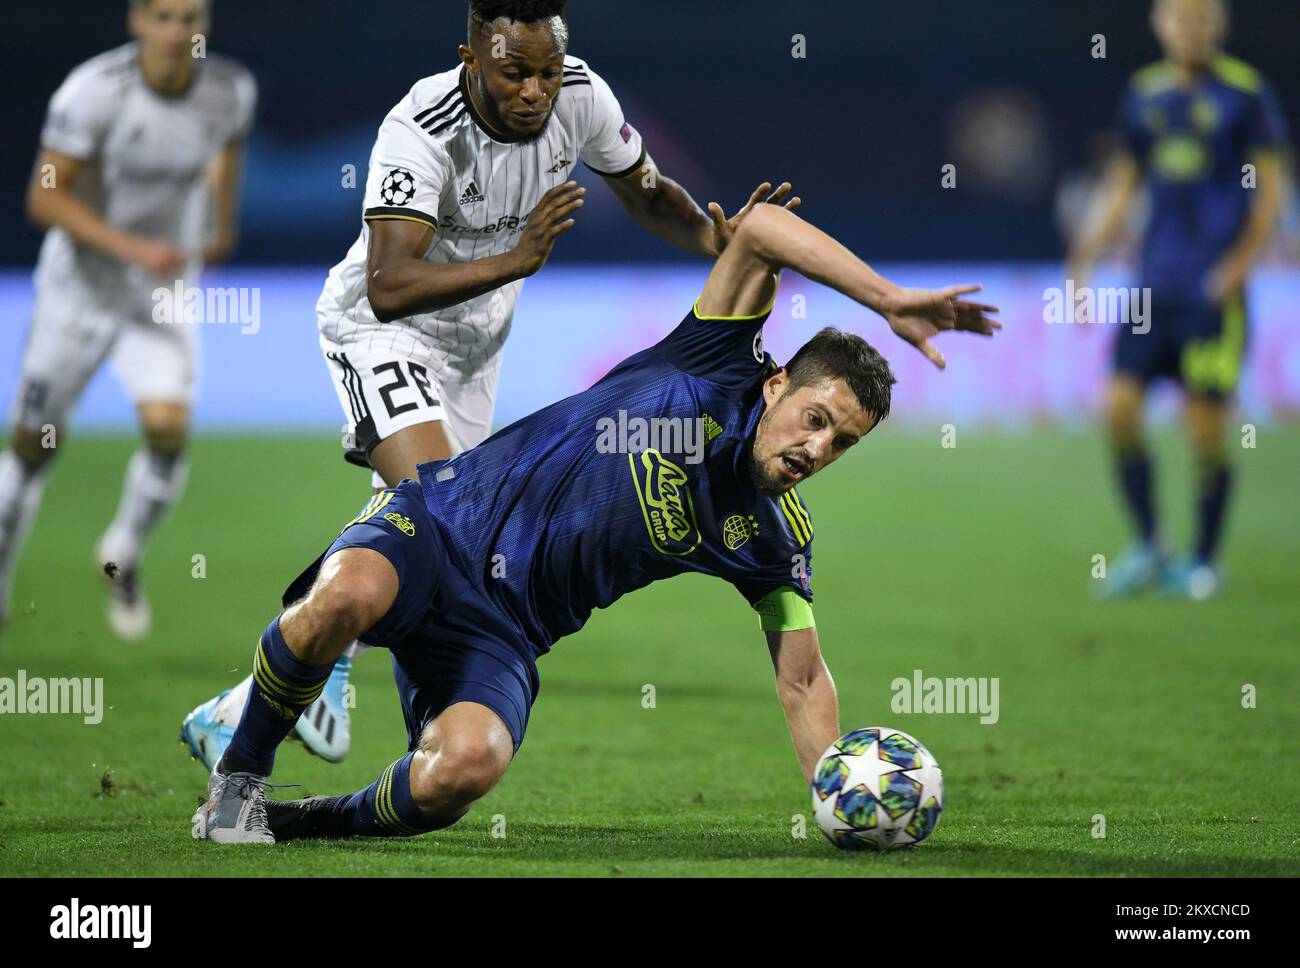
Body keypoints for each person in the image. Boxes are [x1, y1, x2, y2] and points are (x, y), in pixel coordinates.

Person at [191, 199, 999, 844]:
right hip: (442, 526)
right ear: (779, 382)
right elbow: (757, 230)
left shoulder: (774, 540)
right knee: (345, 595)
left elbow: (802, 677)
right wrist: (890, 299)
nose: (818, 447)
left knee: (463, 772)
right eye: (816, 417)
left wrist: (838, 789)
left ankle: (309, 820)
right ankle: (239, 785)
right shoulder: (710, 363)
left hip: (503, 634)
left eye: (842, 443)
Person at [182, 0, 803, 766]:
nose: (537, 90)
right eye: (516, 72)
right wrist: (515, 260)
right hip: (383, 330)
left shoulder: (582, 96)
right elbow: (389, 283)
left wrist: (718, 241)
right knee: (434, 511)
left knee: (443, 527)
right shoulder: (421, 126)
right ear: (473, 59)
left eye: (547, 71)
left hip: (475, 350)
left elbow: (647, 193)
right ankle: (311, 682)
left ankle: (244, 703)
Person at [0, 0, 255, 638]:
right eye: (164, 17)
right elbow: (45, 195)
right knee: (34, 446)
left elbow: (225, 149)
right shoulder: (92, 92)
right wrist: (135, 247)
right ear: (136, 21)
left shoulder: (229, 90)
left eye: (190, 19)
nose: (178, 32)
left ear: (206, 26)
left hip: (161, 295)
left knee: (168, 432)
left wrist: (219, 227)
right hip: (78, 292)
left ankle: (123, 550)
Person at [1068, 0, 1289, 599]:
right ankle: (1150, 543)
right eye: (1181, 19)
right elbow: (1123, 183)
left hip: (1214, 294)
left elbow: (1271, 189)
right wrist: (1085, 258)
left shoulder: (1246, 95)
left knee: (1206, 429)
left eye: (1203, 20)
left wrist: (1239, 266)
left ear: (1220, 27)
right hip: (1152, 288)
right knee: (1117, 409)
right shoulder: (1144, 95)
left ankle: (1205, 561)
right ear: (1161, 25)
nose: (1192, 30)